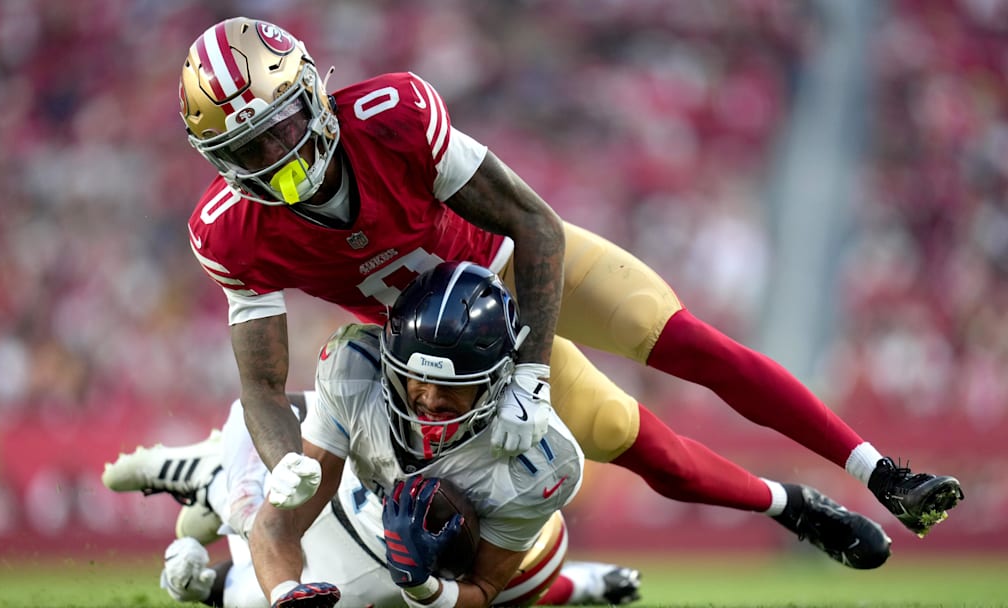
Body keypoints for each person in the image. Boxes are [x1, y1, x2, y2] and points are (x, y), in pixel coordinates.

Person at [176, 15, 961, 550]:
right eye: (251, 149)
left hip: (517, 266)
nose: (278, 156)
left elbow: (538, 226)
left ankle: (880, 472)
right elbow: (264, 384)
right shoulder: (230, 230)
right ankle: (794, 507)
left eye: (281, 126)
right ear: (220, 163)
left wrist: (534, 371)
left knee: (694, 347)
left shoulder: (394, 115)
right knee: (645, 449)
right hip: (442, 346)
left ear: (311, 91)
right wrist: (286, 465)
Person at [105, 263, 892, 607]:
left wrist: (424, 585)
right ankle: (210, 481)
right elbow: (293, 508)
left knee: (609, 445)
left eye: (448, 390)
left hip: (510, 299)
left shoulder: (541, 457)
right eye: (415, 382)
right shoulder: (359, 371)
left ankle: (792, 499)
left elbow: (480, 588)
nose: (426, 403)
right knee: (269, 494)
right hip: (352, 487)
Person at [105, 398, 642, 607]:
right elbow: (270, 408)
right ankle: (228, 494)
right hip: (330, 509)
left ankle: (224, 504)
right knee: (276, 486)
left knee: (253, 590)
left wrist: (593, 583)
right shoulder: (452, 469)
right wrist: (593, 582)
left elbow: (530, 591)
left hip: (349, 547)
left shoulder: (489, 579)